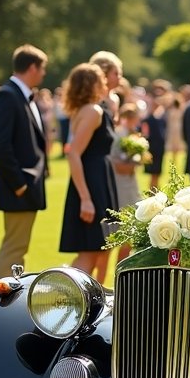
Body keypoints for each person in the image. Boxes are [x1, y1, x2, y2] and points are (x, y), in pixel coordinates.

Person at [0, 44, 48, 279]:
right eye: (42, 68)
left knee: (18, 248)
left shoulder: (21, 96)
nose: (43, 74)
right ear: (32, 67)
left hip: (25, 187)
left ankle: (8, 299)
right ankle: (2, 303)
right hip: (19, 187)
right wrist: (19, 184)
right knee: (14, 247)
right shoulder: (7, 95)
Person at [59, 62, 118, 281]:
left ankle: (89, 302)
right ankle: (66, 298)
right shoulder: (92, 111)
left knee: (97, 249)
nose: (104, 83)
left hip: (97, 180)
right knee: (89, 251)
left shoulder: (85, 109)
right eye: (101, 80)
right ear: (91, 84)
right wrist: (85, 198)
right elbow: (73, 153)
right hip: (92, 184)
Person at [110, 102, 144, 264]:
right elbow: (115, 163)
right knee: (124, 230)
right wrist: (132, 163)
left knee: (130, 230)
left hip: (130, 184)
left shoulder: (132, 135)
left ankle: (123, 266)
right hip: (120, 185)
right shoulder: (119, 136)